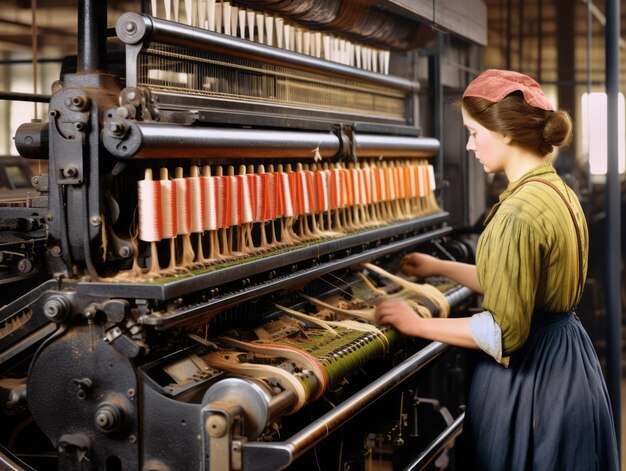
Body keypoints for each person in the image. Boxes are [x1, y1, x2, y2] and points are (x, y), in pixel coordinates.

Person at [374, 69, 619, 470]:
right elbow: (517, 285)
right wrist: (441, 267)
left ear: (504, 133)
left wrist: (414, 323)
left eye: (474, 133)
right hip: (568, 361)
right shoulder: (555, 191)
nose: (469, 146)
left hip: (533, 377)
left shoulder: (517, 213)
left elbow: (503, 332)